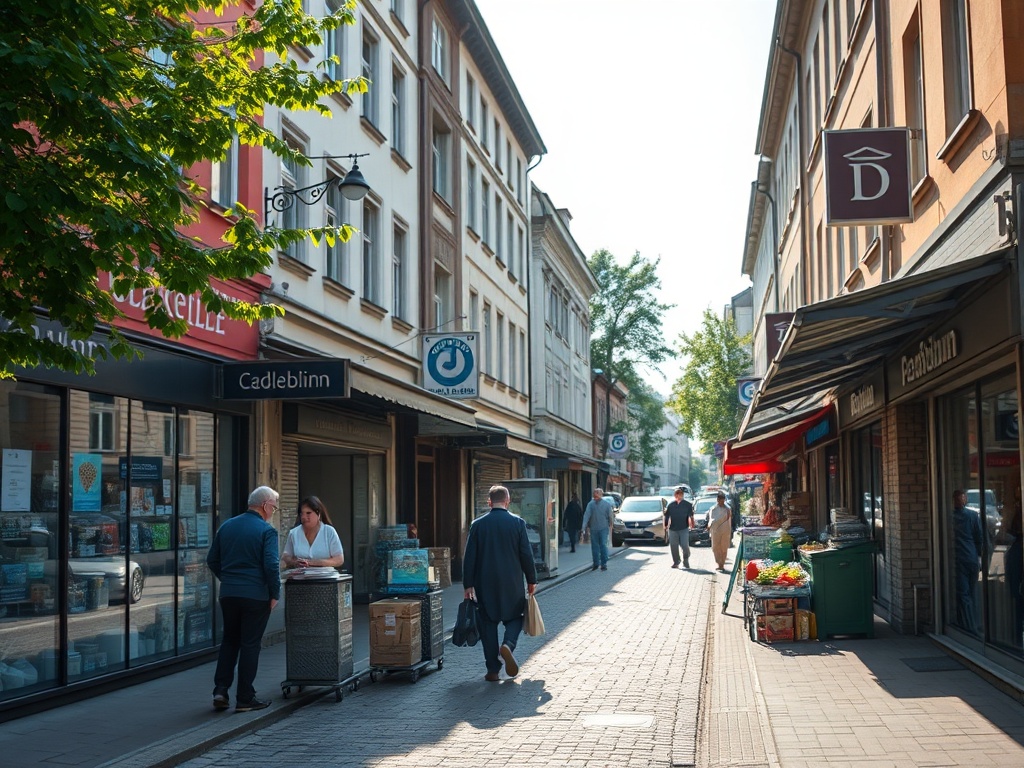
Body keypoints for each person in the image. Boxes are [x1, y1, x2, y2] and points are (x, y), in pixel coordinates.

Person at [206, 485, 282, 712]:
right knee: (250, 644)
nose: (274, 512)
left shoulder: (227, 526)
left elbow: (212, 560)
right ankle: (244, 697)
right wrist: (274, 593)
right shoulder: (266, 531)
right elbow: (271, 564)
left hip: (229, 593)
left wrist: (228, 578)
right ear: (266, 505)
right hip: (255, 595)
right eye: (274, 508)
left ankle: (220, 690)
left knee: (230, 641)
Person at [462, 485, 538, 682]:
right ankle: (508, 644)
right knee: (515, 617)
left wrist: (468, 585)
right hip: (512, 582)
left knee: (488, 624)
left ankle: (493, 671)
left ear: (489, 502)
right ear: (508, 501)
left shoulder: (477, 525)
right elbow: (526, 555)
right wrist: (532, 580)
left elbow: (469, 556)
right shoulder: (518, 523)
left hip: (484, 583)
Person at [951, 488, 983, 634]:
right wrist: (980, 557)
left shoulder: (950, 517)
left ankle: (969, 625)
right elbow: (979, 538)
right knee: (971, 592)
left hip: (961, 558)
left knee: (963, 593)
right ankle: (973, 623)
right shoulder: (973, 516)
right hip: (971, 557)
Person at [281, 495, 344, 569]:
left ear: (318, 514)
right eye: (302, 513)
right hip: (301, 577)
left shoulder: (329, 532)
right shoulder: (294, 533)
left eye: (308, 513)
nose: (304, 517)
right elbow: (286, 556)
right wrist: (294, 562)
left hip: (325, 578)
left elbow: (339, 559)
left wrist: (315, 563)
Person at [581, 488, 615, 571]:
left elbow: (610, 515)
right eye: (594, 494)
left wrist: (612, 524)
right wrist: (583, 527)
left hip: (603, 528)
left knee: (603, 545)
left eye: (597, 494)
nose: (595, 496)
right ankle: (596, 563)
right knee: (595, 546)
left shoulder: (606, 504)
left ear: (601, 495)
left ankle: (604, 563)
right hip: (593, 529)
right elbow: (586, 515)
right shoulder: (591, 504)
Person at [664, 486, 694, 569]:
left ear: (683, 495)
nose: (678, 496)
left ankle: (686, 559)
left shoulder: (688, 505)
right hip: (673, 529)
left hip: (684, 528)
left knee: (684, 545)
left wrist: (692, 524)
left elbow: (690, 516)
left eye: (680, 494)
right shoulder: (671, 505)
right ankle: (676, 561)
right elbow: (667, 516)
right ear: (674, 495)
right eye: (677, 494)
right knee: (673, 546)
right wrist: (666, 525)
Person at [708, 492, 732, 570]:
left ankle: (722, 564)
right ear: (717, 500)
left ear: (724, 500)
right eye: (720, 500)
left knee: (724, 547)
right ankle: (719, 563)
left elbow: (729, 519)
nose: (721, 502)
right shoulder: (713, 509)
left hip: (725, 531)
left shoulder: (728, 509)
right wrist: (709, 525)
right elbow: (711, 519)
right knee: (715, 547)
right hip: (715, 531)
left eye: (723, 500)